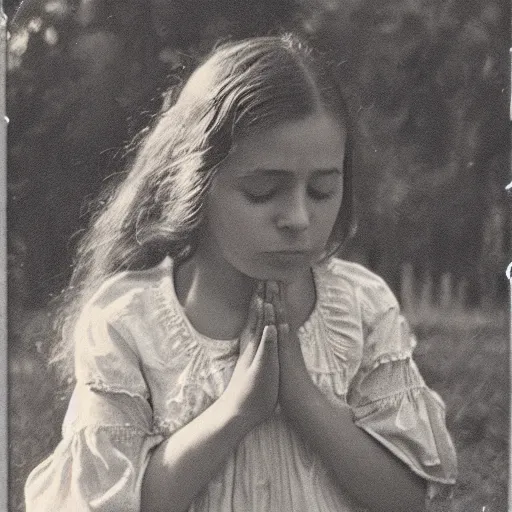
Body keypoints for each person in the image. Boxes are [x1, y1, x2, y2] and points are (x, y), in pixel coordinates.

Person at [24, 34, 457, 512]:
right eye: (262, 190)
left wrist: (303, 400)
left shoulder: (360, 306)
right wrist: (237, 410)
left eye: (321, 190)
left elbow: (407, 498)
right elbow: (107, 502)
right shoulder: (128, 322)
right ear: (195, 185)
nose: (298, 218)